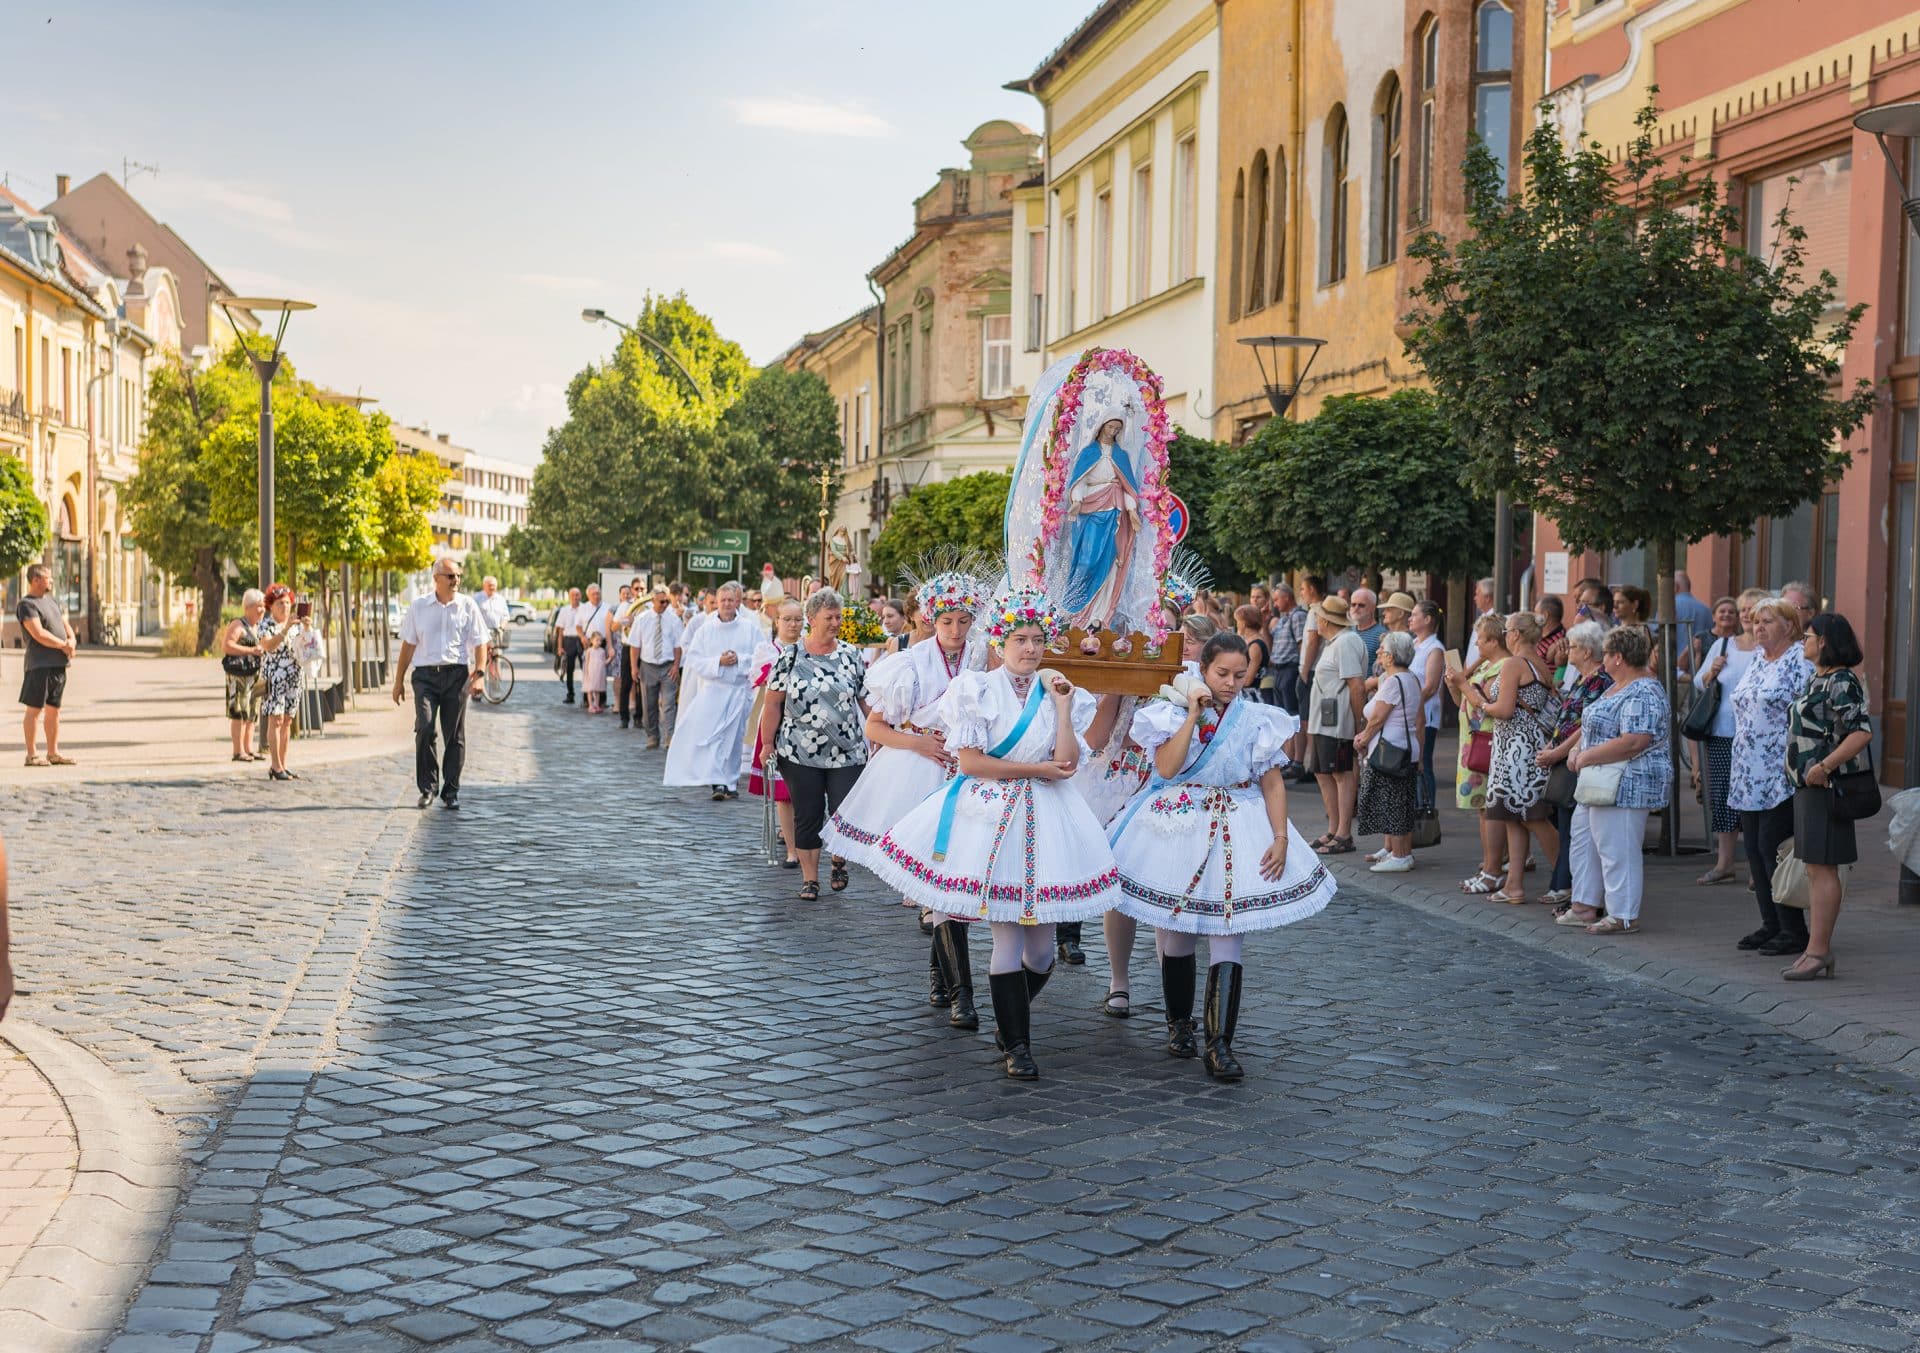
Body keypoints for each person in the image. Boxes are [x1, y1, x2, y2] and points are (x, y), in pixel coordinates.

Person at [870, 588, 1116, 1081]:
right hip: (991, 817)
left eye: (1038, 639)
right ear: (1000, 643)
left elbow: (1066, 762)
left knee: (1042, 951)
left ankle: (1011, 1019)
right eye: (1020, 639)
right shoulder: (976, 690)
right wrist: (1034, 768)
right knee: (1006, 936)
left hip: (1048, 817)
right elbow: (971, 762)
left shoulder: (1064, 693)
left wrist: (1064, 709)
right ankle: (1017, 1046)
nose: (1030, 648)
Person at [1109, 632, 1334, 1080]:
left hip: (1237, 821)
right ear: (1203, 669)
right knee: (1178, 932)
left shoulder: (1257, 719)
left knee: (1229, 932)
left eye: (1239, 673)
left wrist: (1281, 837)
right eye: (1222, 673)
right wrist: (1192, 715)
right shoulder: (1170, 712)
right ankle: (1179, 1025)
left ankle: (1220, 1044)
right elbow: (1167, 768)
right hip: (1182, 820)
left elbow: (1271, 781)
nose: (1231, 682)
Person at [825, 568, 989, 1028]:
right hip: (919, 770)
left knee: (954, 877)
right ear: (930, 620)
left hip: (970, 772)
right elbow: (874, 727)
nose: (956, 631)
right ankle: (961, 993)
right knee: (938, 877)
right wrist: (917, 742)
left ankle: (942, 974)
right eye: (947, 622)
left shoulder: (982, 658)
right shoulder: (911, 663)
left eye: (963, 621)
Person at [758, 588, 870, 900]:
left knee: (844, 811)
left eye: (838, 616)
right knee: (807, 813)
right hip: (799, 751)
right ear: (811, 619)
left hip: (847, 751)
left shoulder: (851, 655)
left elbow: (865, 700)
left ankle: (838, 860)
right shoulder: (791, 656)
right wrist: (767, 743)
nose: (835, 622)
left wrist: (881, 732)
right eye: (829, 617)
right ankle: (810, 879)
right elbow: (772, 704)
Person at [1561, 625, 1671, 935]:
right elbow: (1597, 726)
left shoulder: (1644, 690)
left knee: (1617, 847)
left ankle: (1623, 913)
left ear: (1619, 657)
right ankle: (1584, 904)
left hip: (1627, 781)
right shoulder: (1616, 686)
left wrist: (1586, 757)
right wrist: (1579, 750)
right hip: (1599, 779)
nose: (1603, 658)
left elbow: (1635, 740)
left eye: (1607, 653)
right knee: (1584, 840)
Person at [1783, 612, 1874, 981]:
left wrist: (1824, 767)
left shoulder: (1841, 681)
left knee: (1823, 868)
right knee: (1814, 867)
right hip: (1808, 786)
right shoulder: (1817, 678)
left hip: (1825, 786)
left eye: (1808, 635)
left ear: (1824, 641)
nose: (1802, 640)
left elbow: (1861, 732)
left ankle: (1818, 951)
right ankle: (1815, 950)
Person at [1451, 611, 1560, 904]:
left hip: (1516, 751)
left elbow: (1505, 710)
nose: (1505, 635)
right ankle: (1514, 885)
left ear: (1515, 635)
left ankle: (1566, 880)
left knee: (1532, 818)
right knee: (1515, 817)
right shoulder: (1539, 664)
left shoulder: (1514, 664)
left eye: (1508, 630)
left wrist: (1481, 703)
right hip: (1522, 747)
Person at [1728, 597, 1814, 957]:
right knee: (1753, 851)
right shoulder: (1758, 661)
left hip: (1781, 770)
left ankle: (1793, 929)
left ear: (1790, 626)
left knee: (1773, 848)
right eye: (1756, 621)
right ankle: (1770, 923)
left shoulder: (1800, 661)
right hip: (1748, 771)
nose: (1758, 627)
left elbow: (1810, 711)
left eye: (1767, 621)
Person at [392, 557, 491, 809]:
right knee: (424, 728)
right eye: (450, 576)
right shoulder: (419, 606)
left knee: (454, 736)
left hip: (456, 676)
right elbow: (408, 645)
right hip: (424, 676)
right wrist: (398, 680)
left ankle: (451, 791)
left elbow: (481, 642)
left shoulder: (467, 606)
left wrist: (479, 674)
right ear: (436, 578)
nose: (455, 580)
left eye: (458, 575)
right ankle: (428, 788)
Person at [1534, 622, 1611, 910]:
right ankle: (1564, 884)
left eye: (1573, 646)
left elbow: (1584, 726)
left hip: (1576, 759)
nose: (1567, 650)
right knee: (1566, 823)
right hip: (1564, 755)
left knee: (1573, 826)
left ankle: (1568, 888)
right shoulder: (1581, 677)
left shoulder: (1599, 680)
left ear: (1588, 651)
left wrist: (1557, 752)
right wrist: (1552, 746)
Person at [665, 582, 762, 800]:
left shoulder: (749, 628)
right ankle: (717, 781)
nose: (727, 604)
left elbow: (760, 656)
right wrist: (718, 661)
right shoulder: (706, 630)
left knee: (734, 739)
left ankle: (731, 780)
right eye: (723, 600)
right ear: (716, 602)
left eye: (731, 600)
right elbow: (694, 659)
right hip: (714, 691)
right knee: (714, 737)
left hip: (737, 692)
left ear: (737, 601)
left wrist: (739, 660)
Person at [1689, 596, 1755, 886]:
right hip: (1722, 731)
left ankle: (1758, 869)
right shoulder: (1724, 644)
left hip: (1756, 738)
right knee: (1723, 798)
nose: (1748, 616)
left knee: (1754, 801)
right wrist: (1711, 671)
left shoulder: (1770, 649)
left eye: (1754, 611)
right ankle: (1724, 864)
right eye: (1745, 611)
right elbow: (1698, 681)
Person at [1354, 632, 1424, 873]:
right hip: (1405, 747)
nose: (1378, 653)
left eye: (1381, 650)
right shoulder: (1410, 678)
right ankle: (1399, 852)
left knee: (1392, 801)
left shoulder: (1394, 682)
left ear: (1391, 656)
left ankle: (1400, 855)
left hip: (1390, 750)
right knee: (1400, 801)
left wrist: (1363, 738)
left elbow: (1377, 719)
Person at [1305, 597, 1366, 855]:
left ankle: (1343, 833)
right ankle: (1333, 828)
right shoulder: (1334, 643)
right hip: (1324, 721)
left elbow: (1356, 685)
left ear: (1325, 620)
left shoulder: (1346, 642)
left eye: (1317, 616)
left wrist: (1358, 721)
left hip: (1338, 722)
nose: (1315, 620)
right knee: (1322, 772)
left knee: (1342, 774)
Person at [748, 599, 804, 867]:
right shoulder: (767, 649)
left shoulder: (809, 648)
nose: (793, 625)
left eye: (798, 619)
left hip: (805, 724)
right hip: (776, 721)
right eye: (788, 619)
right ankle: (792, 849)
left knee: (805, 791)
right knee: (783, 793)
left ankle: (804, 843)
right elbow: (760, 677)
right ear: (777, 621)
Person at [1455, 613, 1507, 891]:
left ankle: (1493, 868)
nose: (1477, 644)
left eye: (1481, 640)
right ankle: (1489, 865)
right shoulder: (1486, 664)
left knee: (1489, 809)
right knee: (1481, 809)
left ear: (1493, 640)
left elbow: (1483, 702)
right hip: (1473, 741)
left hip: (1487, 741)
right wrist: (1460, 681)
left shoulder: (1502, 667)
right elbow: (1463, 699)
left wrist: (1463, 684)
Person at [16, 563, 76, 767]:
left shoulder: (51, 602)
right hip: (39, 665)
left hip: (58, 665)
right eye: (48, 578)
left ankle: (53, 752)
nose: (51, 581)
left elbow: (64, 624)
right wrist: (63, 645)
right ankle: (32, 755)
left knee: (54, 710)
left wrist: (72, 640)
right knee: (34, 710)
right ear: (36, 580)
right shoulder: (26, 605)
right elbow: (38, 633)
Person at [256, 585, 313, 782]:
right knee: (276, 719)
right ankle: (275, 764)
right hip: (275, 677)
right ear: (271, 605)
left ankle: (283, 764)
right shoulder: (266, 625)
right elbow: (268, 646)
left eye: (288, 603)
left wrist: (307, 628)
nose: (285, 607)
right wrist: (285, 629)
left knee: (288, 720)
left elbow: (307, 648)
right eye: (280, 603)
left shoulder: (296, 625)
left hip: (294, 677)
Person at [630, 584, 685, 750]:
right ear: (653, 600)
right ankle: (652, 736)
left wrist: (676, 666)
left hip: (668, 665)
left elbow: (678, 645)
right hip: (648, 665)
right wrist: (634, 667)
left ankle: (669, 738)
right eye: (661, 601)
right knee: (649, 704)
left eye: (667, 601)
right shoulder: (642, 619)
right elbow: (635, 645)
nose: (665, 605)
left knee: (669, 704)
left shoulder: (674, 619)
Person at [1407, 600, 1446, 814]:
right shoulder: (1415, 644)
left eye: (1415, 615)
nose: (1410, 619)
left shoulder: (1435, 649)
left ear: (1428, 619)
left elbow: (1430, 686)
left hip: (1425, 714)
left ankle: (1427, 808)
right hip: (1410, 713)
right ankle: (1414, 806)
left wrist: (1409, 701)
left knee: (1423, 762)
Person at [220, 589, 268, 763]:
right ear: (248, 607)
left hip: (254, 675)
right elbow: (226, 646)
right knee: (238, 712)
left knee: (252, 713)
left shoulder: (258, 627)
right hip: (238, 675)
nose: (262, 610)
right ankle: (238, 751)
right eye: (259, 606)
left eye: (263, 606)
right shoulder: (238, 625)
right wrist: (251, 650)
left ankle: (249, 748)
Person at [614, 577, 648, 728]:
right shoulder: (625, 606)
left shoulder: (649, 606)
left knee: (642, 685)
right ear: (632, 590)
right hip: (628, 646)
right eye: (636, 589)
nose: (639, 592)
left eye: (642, 589)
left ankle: (639, 717)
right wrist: (624, 621)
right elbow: (613, 627)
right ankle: (624, 717)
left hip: (644, 648)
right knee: (626, 683)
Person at [1268, 583, 1305, 716]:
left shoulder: (1298, 616)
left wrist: (1302, 672)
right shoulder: (1284, 619)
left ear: (1287, 597)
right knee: (1281, 714)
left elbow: (1302, 645)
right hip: (1278, 670)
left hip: (1290, 669)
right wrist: (1264, 621)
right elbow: (1271, 644)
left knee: (1291, 713)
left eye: (1276, 600)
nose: (1275, 605)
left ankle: (1293, 738)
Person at [1672, 569, 1714, 658]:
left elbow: (1657, 636)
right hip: (1701, 664)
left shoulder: (1668, 606)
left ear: (1675, 586)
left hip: (1674, 666)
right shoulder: (1706, 609)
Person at [1235, 605, 1272, 704]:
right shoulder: (1251, 641)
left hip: (1255, 695)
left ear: (1243, 623)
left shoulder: (1255, 645)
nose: (1237, 625)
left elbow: (1248, 680)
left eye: (1238, 621)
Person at [552, 587, 583, 703]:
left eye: (577, 595)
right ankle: (570, 694)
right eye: (573, 595)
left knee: (586, 668)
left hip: (581, 640)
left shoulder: (584, 608)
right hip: (568, 640)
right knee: (569, 669)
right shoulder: (564, 610)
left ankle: (586, 696)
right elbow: (560, 630)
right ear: (569, 597)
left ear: (580, 596)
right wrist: (560, 647)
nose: (576, 597)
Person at [1462, 576, 1496, 669]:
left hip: (1479, 674)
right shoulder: (1482, 617)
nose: (1474, 598)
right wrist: (1465, 667)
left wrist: (1468, 672)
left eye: (1477, 594)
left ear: (1487, 597)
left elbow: (1488, 652)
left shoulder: (1493, 620)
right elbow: (1472, 647)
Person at [1349, 587, 1387, 670]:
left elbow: (1383, 671)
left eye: (1361, 605)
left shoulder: (1382, 635)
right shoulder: (1348, 631)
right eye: (1353, 604)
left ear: (1373, 608)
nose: (1356, 608)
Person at [583, 632, 608, 712]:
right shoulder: (589, 651)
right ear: (592, 640)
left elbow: (604, 662)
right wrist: (586, 673)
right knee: (590, 689)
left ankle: (596, 705)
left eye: (600, 641)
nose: (599, 642)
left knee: (597, 690)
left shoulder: (602, 651)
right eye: (597, 640)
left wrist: (610, 658)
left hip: (599, 673)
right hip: (591, 672)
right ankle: (590, 705)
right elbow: (586, 663)